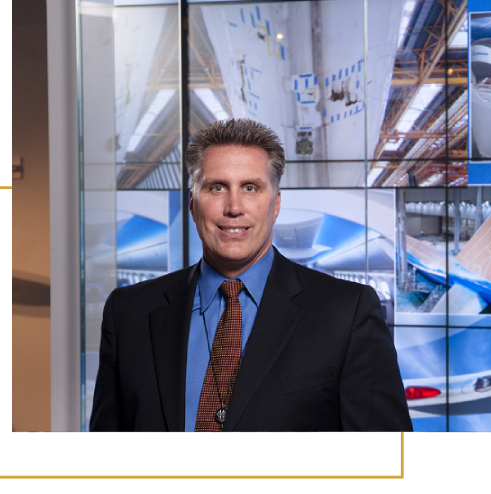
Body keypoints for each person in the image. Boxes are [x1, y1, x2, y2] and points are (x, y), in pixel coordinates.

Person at [90, 118, 412, 432]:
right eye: (217, 187)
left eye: (250, 187)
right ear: (193, 204)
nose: (234, 207)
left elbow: (385, 465)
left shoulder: (346, 314)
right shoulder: (129, 313)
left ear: (275, 205)